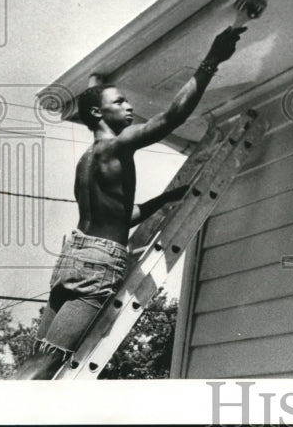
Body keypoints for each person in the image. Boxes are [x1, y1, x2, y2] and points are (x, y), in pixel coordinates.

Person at [13, 25, 245, 380]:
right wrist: (211, 60)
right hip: (97, 264)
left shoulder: (88, 160)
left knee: (40, 358)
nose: (129, 105)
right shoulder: (118, 146)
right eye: (118, 102)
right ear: (96, 114)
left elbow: (119, 217)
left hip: (74, 255)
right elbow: (172, 117)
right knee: (46, 366)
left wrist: (166, 199)